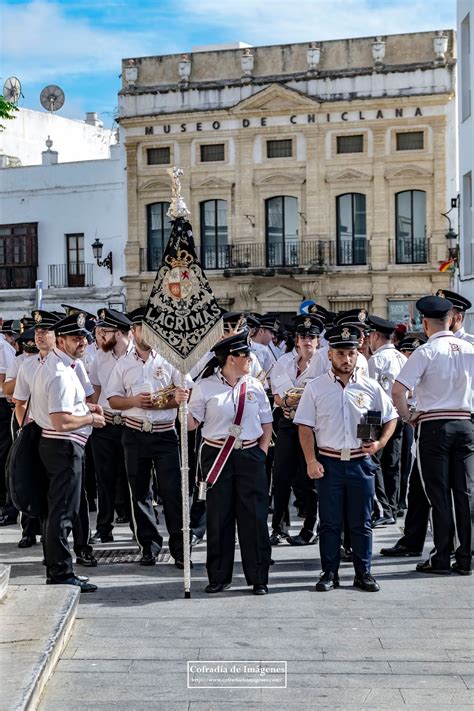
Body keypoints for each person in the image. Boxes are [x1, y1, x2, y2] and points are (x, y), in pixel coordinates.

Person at [294, 325, 398, 592]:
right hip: (328, 462)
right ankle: (329, 572)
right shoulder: (315, 388)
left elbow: (391, 417)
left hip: (359, 462)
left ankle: (364, 572)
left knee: (361, 521)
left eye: (351, 353)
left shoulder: (370, 386)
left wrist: (379, 443)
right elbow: (304, 425)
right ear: (330, 355)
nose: (347, 359)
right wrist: (309, 460)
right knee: (329, 522)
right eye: (341, 353)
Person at [392, 295, 473, 576]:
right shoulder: (468, 348)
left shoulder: (426, 351)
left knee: (438, 495)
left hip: (435, 426)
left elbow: (398, 390)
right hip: (465, 424)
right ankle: (465, 557)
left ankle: (441, 556)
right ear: (450, 320)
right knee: (464, 494)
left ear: (425, 323)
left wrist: (408, 417)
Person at [187, 331, 273, 595]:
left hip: (249, 454)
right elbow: (192, 425)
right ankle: (219, 576)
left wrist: (261, 452)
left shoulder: (255, 385)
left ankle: (258, 577)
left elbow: (267, 422)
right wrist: (181, 406)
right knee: (219, 517)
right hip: (217, 455)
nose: (249, 358)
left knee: (255, 517)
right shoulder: (205, 387)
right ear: (230, 358)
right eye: (245, 355)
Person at [106, 307, 191, 568]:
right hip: (134, 432)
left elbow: (184, 393)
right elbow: (113, 399)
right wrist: (134, 401)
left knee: (173, 493)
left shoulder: (169, 358)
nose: (149, 333)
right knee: (139, 492)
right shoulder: (123, 363)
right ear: (134, 331)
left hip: (165, 434)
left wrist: (165, 403)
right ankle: (148, 546)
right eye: (143, 328)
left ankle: (180, 548)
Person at [30, 312, 105, 592]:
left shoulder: (63, 365)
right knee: (63, 512)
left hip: (59, 445)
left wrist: (87, 409)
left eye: (84, 337)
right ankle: (60, 572)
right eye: (76, 338)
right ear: (60, 341)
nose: (83, 342)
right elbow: (61, 421)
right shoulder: (60, 373)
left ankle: (58, 567)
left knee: (58, 510)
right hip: (62, 446)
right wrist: (90, 419)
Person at [269, 314, 323, 546]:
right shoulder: (284, 362)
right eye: (303, 336)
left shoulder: (325, 363)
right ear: (296, 340)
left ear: (318, 340)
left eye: (312, 336)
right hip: (288, 423)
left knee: (308, 477)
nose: (307, 340)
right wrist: (292, 401)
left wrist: (296, 398)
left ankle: (311, 526)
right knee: (281, 477)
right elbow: (279, 398)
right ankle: (278, 528)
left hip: (313, 426)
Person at [88, 308, 133, 543]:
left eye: (103, 331)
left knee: (133, 477)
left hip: (130, 422)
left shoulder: (137, 355)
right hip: (105, 423)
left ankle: (139, 527)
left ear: (117, 332)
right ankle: (104, 527)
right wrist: (92, 414)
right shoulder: (100, 357)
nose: (99, 336)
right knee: (104, 477)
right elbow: (95, 388)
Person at [367, 315, 407, 525]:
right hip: (400, 413)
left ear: (375, 336)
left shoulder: (376, 360)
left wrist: (363, 428)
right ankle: (391, 507)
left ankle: (381, 508)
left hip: (377, 416)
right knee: (393, 463)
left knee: (372, 460)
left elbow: (369, 393)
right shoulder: (402, 357)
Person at [0, 321, 17, 525]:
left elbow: (3, 382)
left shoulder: (3, 347)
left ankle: (7, 506)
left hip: (2, 404)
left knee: (4, 457)